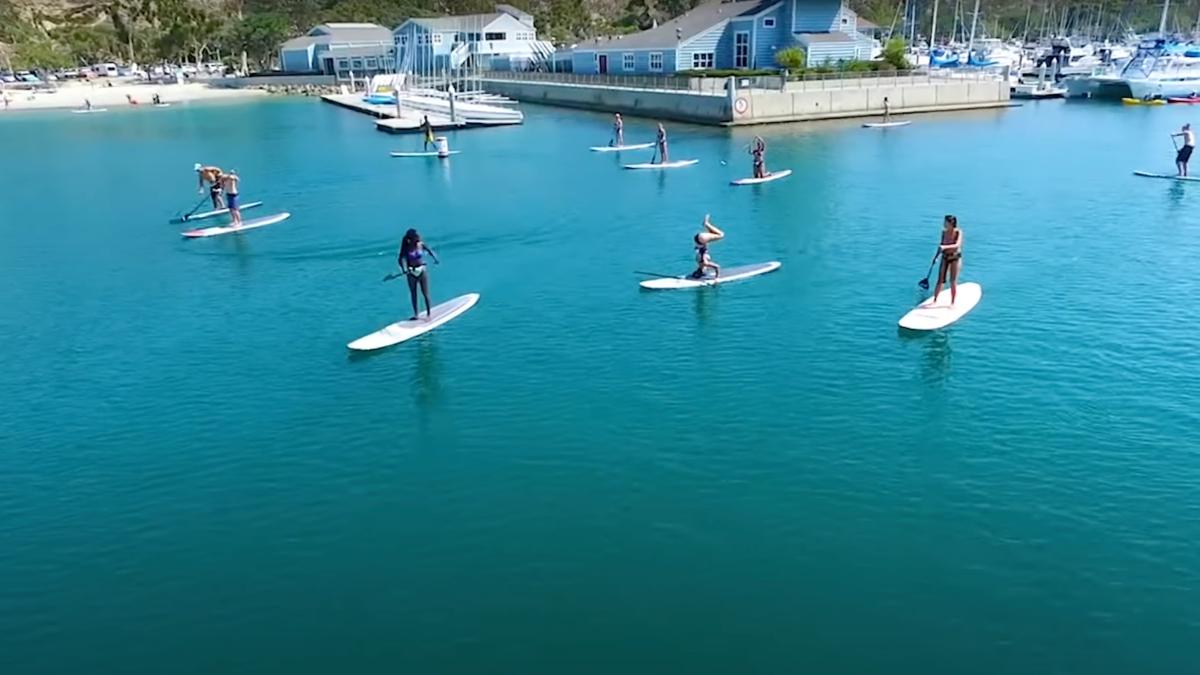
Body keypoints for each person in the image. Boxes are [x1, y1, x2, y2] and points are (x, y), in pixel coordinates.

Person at [398, 228, 440, 319]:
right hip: (411, 272)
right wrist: (404, 269)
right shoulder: (406, 248)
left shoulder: (421, 244)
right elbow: (401, 259)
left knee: (425, 293)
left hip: (422, 270)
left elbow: (430, 251)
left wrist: (435, 259)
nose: (418, 238)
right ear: (410, 239)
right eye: (416, 237)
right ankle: (416, 314)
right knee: (414, 294)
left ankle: (429, 314)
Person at [930, 215, 963, 305]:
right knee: (940, 280)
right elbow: (940, 246)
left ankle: (952, 303)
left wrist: (945, 247)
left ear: (951, 223)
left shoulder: (958, 232)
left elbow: (957, 245)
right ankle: (935, 300)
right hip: (945, 257)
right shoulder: (943, 232)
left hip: (955, 258)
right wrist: (936, 257)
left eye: (946, 222)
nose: (944, 224)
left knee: (952, 281)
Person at [690, 214, 724, 279]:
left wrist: (717, 277)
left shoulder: (704, 263)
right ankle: (706, 224)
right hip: (698, 240)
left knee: (721, 235)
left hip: (702, 239)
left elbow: (717, 267)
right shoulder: (699, 263)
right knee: (716, 234)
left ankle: (706, 224)